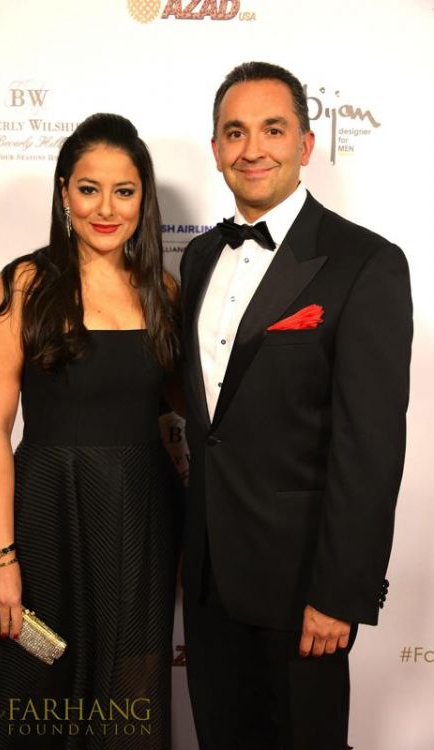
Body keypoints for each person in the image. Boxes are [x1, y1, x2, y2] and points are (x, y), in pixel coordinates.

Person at [179, 62, 413, 750]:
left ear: (306, 145)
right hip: (209, 581)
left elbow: (369, 449)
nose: (252, 148)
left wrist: (340, 593)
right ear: (216, 148)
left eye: (272, 129)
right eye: (235, 132)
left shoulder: (365, 263)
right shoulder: (197, 258)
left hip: (302, 588)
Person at [0, 113, 182, 749]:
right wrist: (1, 557)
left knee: (128, 702)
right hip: (48, 517)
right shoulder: (24, 285)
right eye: (88, 189)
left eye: (124, 191)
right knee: (32, 701)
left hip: (142, 521)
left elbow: (189, 412)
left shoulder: (162, 291)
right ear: (64, 191)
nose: (106, 208)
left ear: (143, 199)